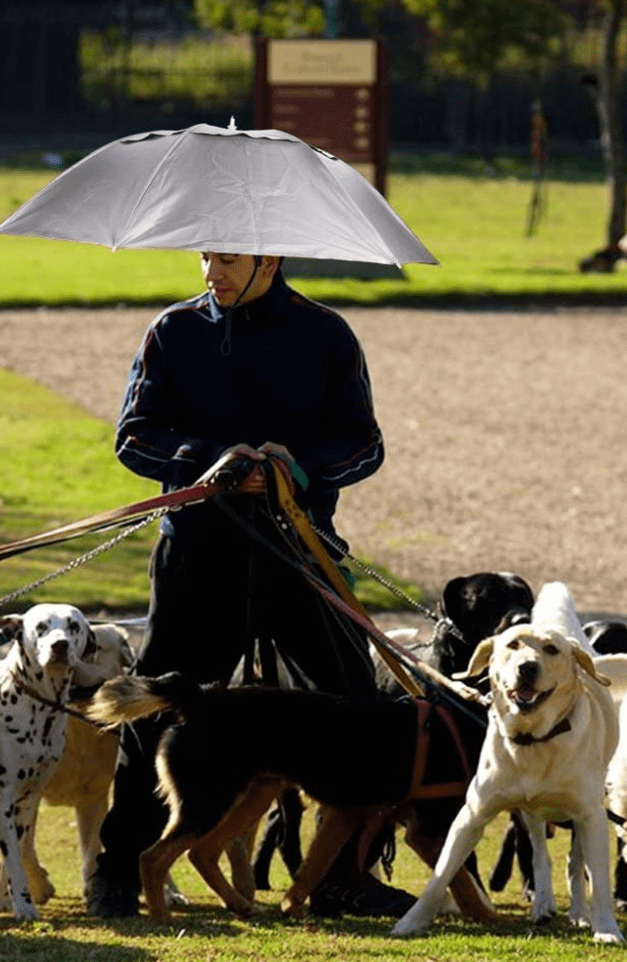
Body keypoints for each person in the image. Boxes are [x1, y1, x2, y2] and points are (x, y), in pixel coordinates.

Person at [86, 251, 413, 918]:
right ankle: (119, 868)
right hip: (198, 559)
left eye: (228, 258)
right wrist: (207, 462)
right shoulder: (173, 331)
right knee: (158, 708)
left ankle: (343, 875)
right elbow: (133, 436)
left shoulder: (326, 333)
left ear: (270, 258)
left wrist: (299, 468)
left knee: (356, 707)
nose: (212, 272)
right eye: (205, 255)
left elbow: (364, 445)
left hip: (299, 554)